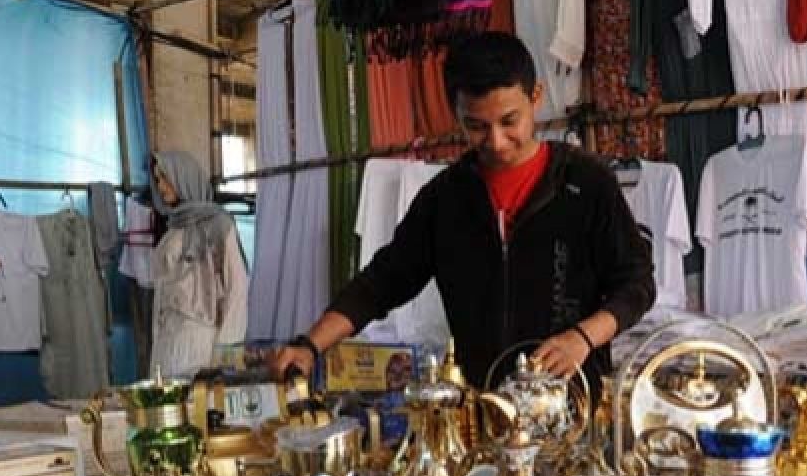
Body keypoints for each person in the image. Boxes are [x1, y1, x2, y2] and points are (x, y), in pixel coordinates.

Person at [271, 31, 655, 391]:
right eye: (476, 126)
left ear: (535, 97)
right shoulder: (445, 200)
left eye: (510, 121)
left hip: (574, 407)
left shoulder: (586, 182)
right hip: (484, 412)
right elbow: (381, 283)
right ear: (455, 113)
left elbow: (637, 285)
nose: (497, 142)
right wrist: (309, 344)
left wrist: (582, 337)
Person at [149, 150, 249, 377]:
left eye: (165, 177)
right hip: (167, 341)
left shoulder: (219, 225)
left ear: (182, 177)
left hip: (200, 341)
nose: (161, 186)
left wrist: (225, 354)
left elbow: (237, 289)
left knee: (199, 407)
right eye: (157, 179)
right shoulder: (173, 228)